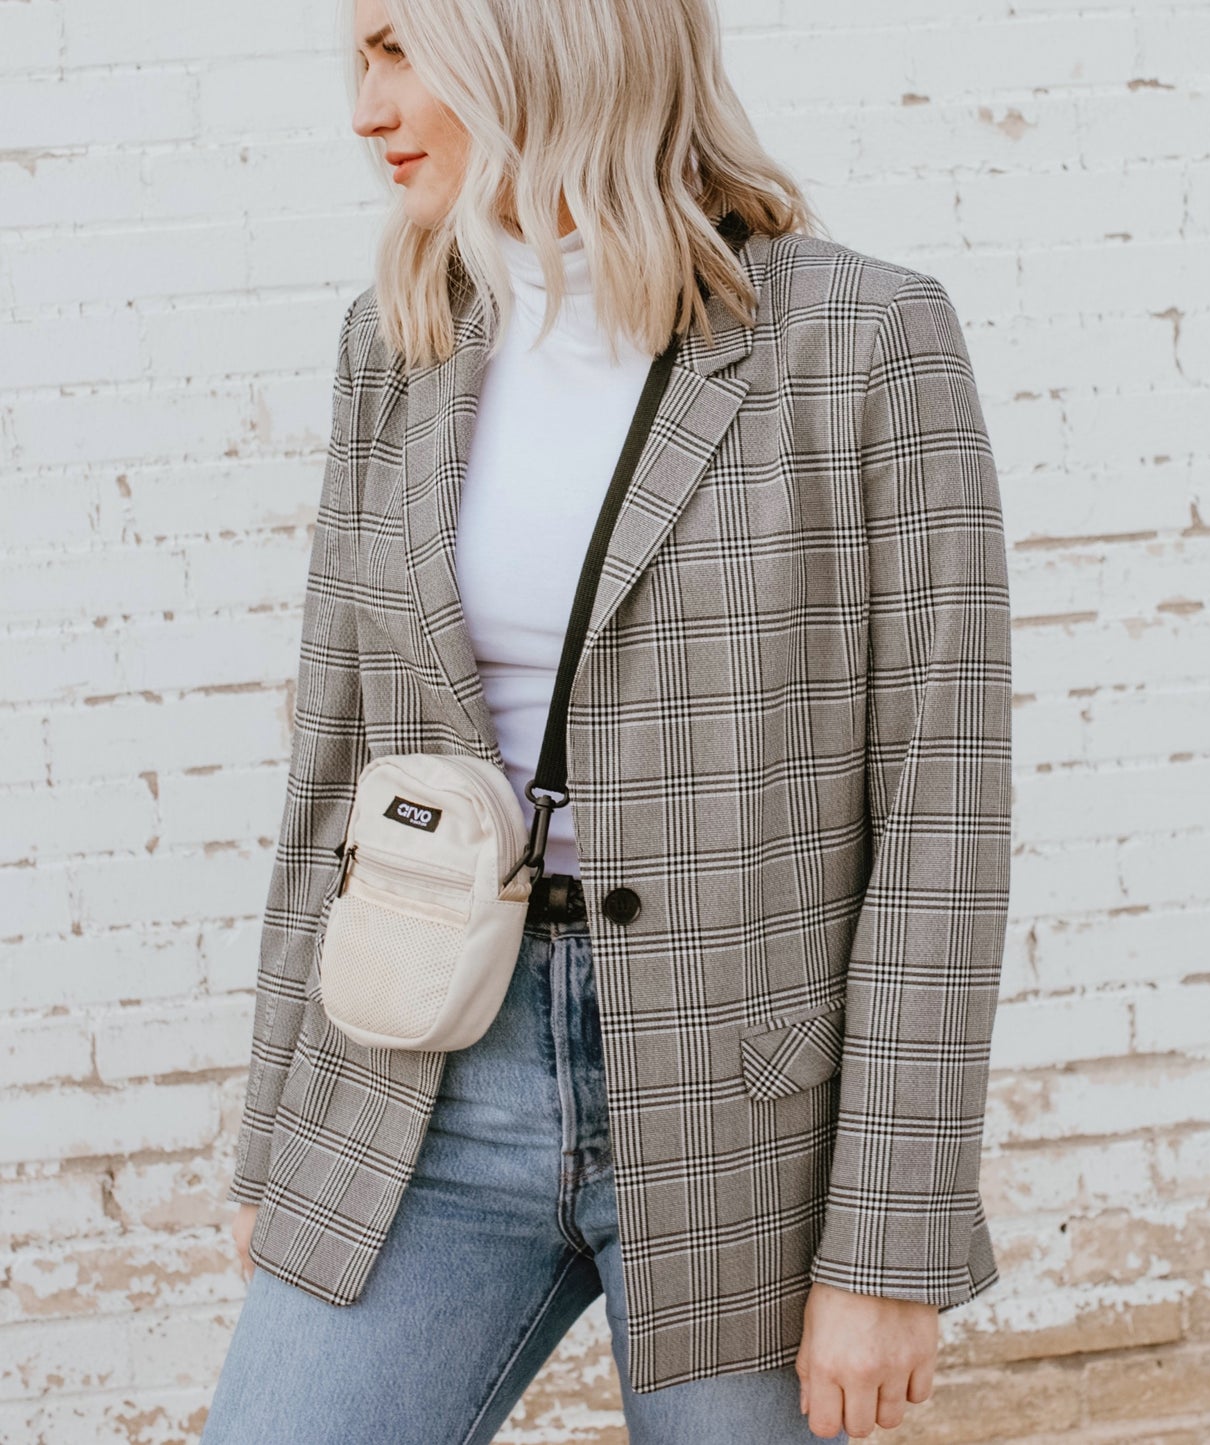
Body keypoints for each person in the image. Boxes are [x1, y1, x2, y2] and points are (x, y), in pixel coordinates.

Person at [203, 0, 1012, 1441]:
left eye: (403, 49)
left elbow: (940, 814)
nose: (365, 106)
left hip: (742, 1109)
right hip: (425, 1073)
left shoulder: (863, 340)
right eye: (362, 56)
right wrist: (282, 1133)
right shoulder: (398, 342)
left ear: (538, 43)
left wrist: (887, 1245)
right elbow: (332, 761)